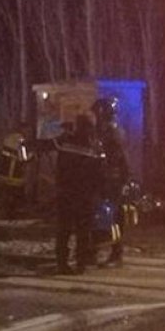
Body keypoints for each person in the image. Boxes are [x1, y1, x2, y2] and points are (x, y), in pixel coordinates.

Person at [46, 115, 104, 274]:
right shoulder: (94, 146)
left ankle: (62, 263)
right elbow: (99, 172)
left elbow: (47, 146)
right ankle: (81, 263)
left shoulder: (66, 141)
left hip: (66, 193)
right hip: (85, 195)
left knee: (64, 230)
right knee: (83, 230)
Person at [93, 97, 130, 266]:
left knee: (112, 216)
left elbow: (118, 158)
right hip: (108, 179)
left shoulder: (110, 132)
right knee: (105, 216)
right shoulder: (110, 130)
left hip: (110, 180)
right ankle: (100, 251)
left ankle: (116, 253)